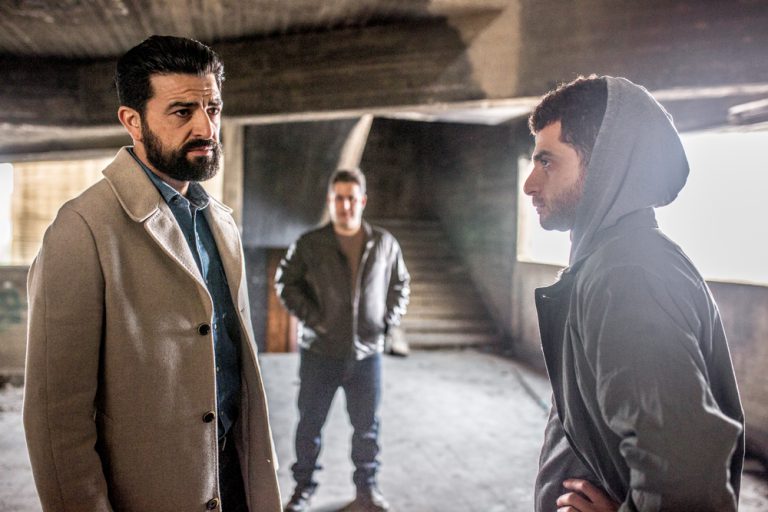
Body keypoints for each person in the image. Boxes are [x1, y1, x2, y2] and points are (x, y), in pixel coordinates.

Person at [23, 35, 281, 512]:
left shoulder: (221, 222)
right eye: (182, 112)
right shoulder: (81, 229)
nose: (207, 126)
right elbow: (56, 422)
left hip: (235, 475)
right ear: (132, 121)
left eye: (213, 108)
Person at [523, 75, 745, 511]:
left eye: (547, 162)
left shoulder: (626, 276)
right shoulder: (610, 263)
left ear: (604, 165)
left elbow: (686, 479)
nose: (530, 183)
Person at [275, 168, 410, 512]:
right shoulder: (310, 243)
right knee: (310, 425)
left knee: (367, 428)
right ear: (330, 201)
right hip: (320, 352)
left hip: (367, 355)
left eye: (351, 198)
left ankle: (366, 490)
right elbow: (285, 283)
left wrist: (386, 322)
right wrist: (315, 319)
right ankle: (303, 490)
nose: (345, 205)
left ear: (362, 201)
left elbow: (400, 285)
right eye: (339, 198)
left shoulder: (384, 243)